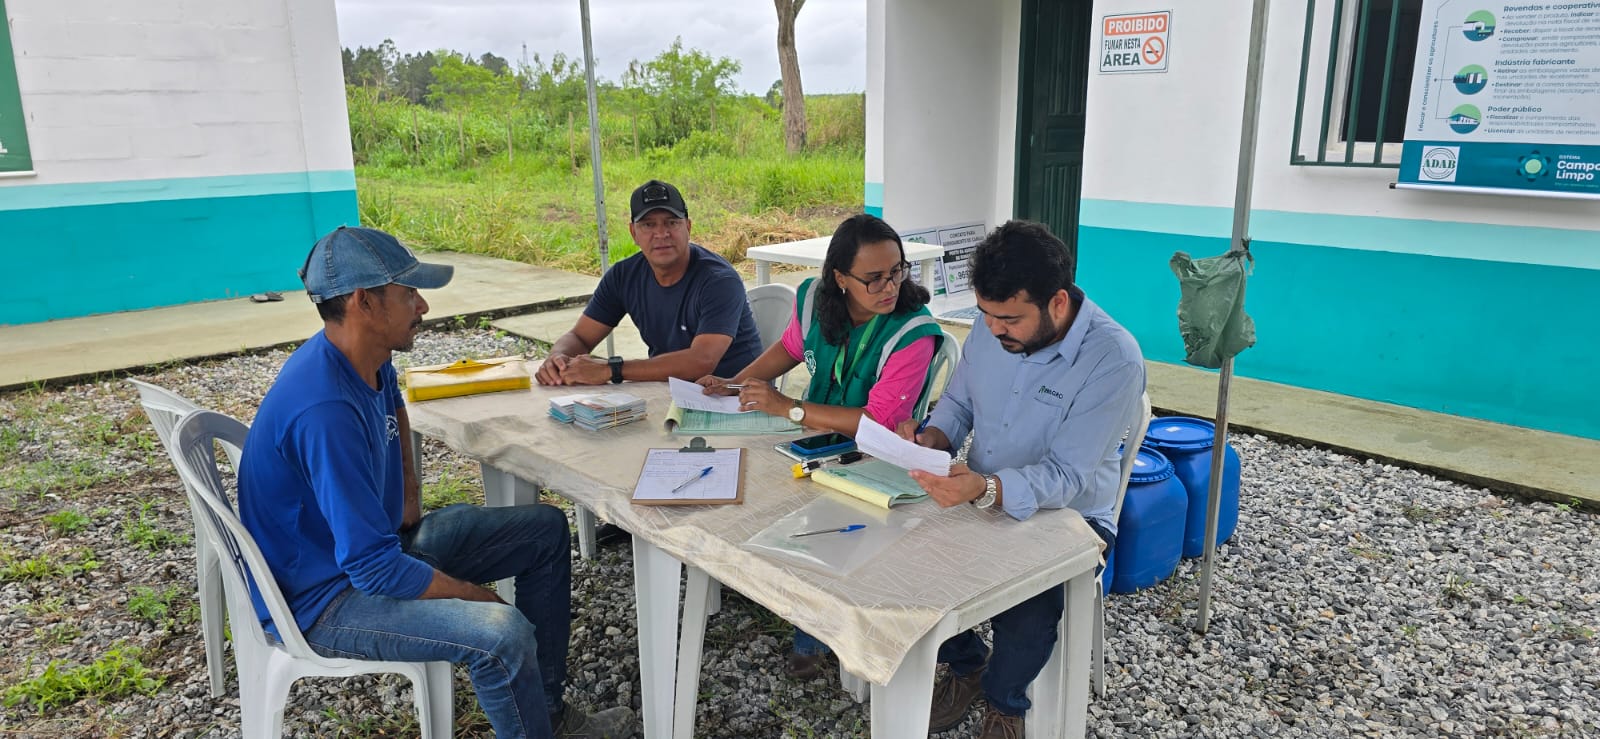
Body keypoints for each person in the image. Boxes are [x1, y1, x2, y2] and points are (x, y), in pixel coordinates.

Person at [238, 226, 634, 739]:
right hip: (323, 599)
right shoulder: (324, 409)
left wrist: (409, 501)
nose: (422, 306)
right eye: (408, 293)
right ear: (363, 302)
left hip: (365, 553)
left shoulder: (365, 358)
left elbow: (395, 405)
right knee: (503, 632)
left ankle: (548, 715)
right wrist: (477, 597)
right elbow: (373, 570)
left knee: (544, 531)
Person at [896, 220, 1144, 739]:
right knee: (902, 561)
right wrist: (934, 438)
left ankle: (1005, 699)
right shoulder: (992, 328)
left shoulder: (1112, 358)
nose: (993, 330)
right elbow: (959, 402)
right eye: (984, 314)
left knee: (1026, 606)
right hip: (978, 490)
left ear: (1058, 303)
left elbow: (1068, 476)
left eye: (1008, 319)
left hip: (1072, 514)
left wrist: (986, 489)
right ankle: (968, 664)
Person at [698, 213, 943, 678]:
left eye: (897, 271)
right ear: (840, 278)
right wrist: (735, 384)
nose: (889, 287)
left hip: (872, 458)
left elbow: (876, 423)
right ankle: (765, 585)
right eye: (873, 278)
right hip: (812, 441)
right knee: (739, 480)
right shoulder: (814, 299)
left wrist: (789, 408)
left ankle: (816, 630)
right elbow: (790, 349)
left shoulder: (912, 333)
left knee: (825, 519)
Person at [536, 179, 763, 386]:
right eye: (648, 225)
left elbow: (701, 361)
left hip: (737, 398)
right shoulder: (623, 276)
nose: (661, 234)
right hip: (668, 392)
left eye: (671, 222)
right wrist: (557, 360)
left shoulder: (718, 280)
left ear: (688, 227)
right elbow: (580, 337)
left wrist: (611, 369)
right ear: (633, 233)